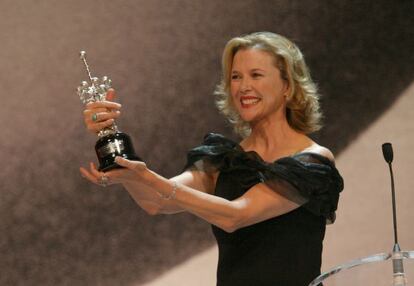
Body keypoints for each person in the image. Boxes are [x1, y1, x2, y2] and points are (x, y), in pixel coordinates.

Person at [80, 32, 344, 286]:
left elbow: (236, 216)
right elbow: (155, 201)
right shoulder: (224, 159)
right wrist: (120, 159)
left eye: (256, 75)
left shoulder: (312, 162)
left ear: (287, 85)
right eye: (236, 77)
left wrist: (146, 175)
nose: (243, 87)